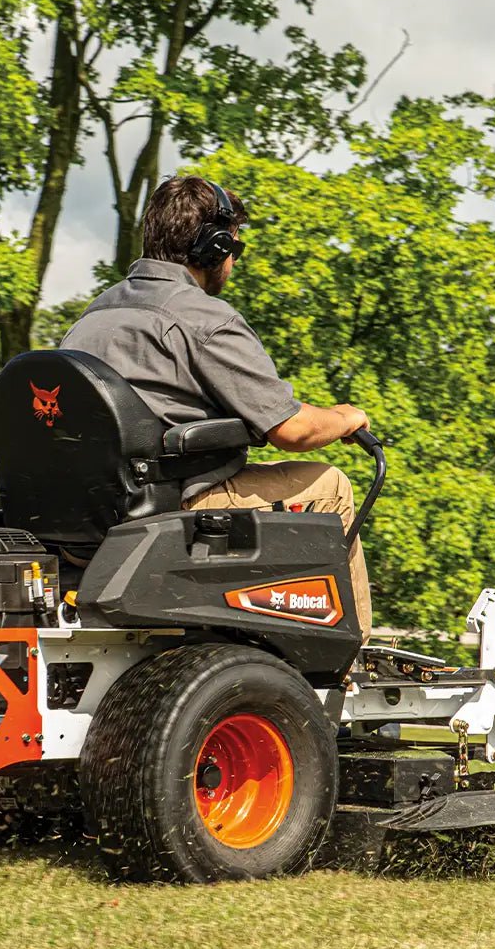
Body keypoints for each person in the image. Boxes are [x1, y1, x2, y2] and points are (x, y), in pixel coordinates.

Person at [60, 175, 373, 637]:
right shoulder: (201, 318)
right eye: (235, 247)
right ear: (214, 246)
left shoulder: (93, 315)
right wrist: (346, 418)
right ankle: (348, 657)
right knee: (331, 486)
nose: (234, 260)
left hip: (86, 517)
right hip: (167, 506)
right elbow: (293, 430)